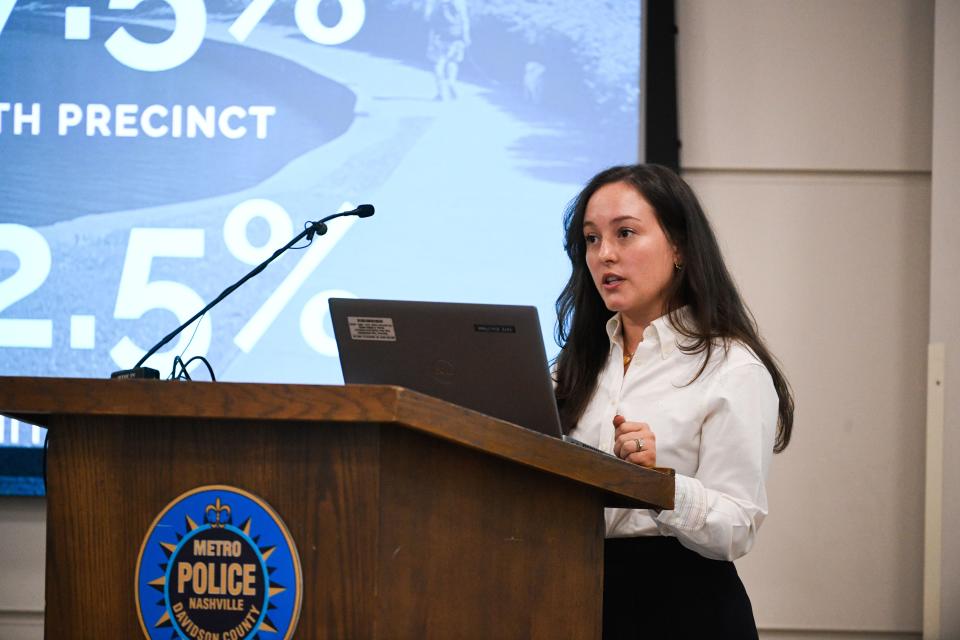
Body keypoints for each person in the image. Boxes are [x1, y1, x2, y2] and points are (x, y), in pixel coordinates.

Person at [553, 164, 794, 639]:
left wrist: (659, 484)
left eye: (625, 234)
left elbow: (737, 528)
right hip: (569, 595)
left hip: (680, 606)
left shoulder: (732, 367)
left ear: (680, 246)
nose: (604, 255)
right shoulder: (572, 367)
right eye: (592, 239)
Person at [424, 0, 470, 101]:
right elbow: (464, 20)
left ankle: (441, 93)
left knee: (438, 64)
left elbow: (430, 22)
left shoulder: (437, 4)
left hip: (440, 38)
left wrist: (430, 42)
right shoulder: (460, 2)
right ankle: (451, 82)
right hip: (457, 38)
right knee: (453, 61)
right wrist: (466, 36)